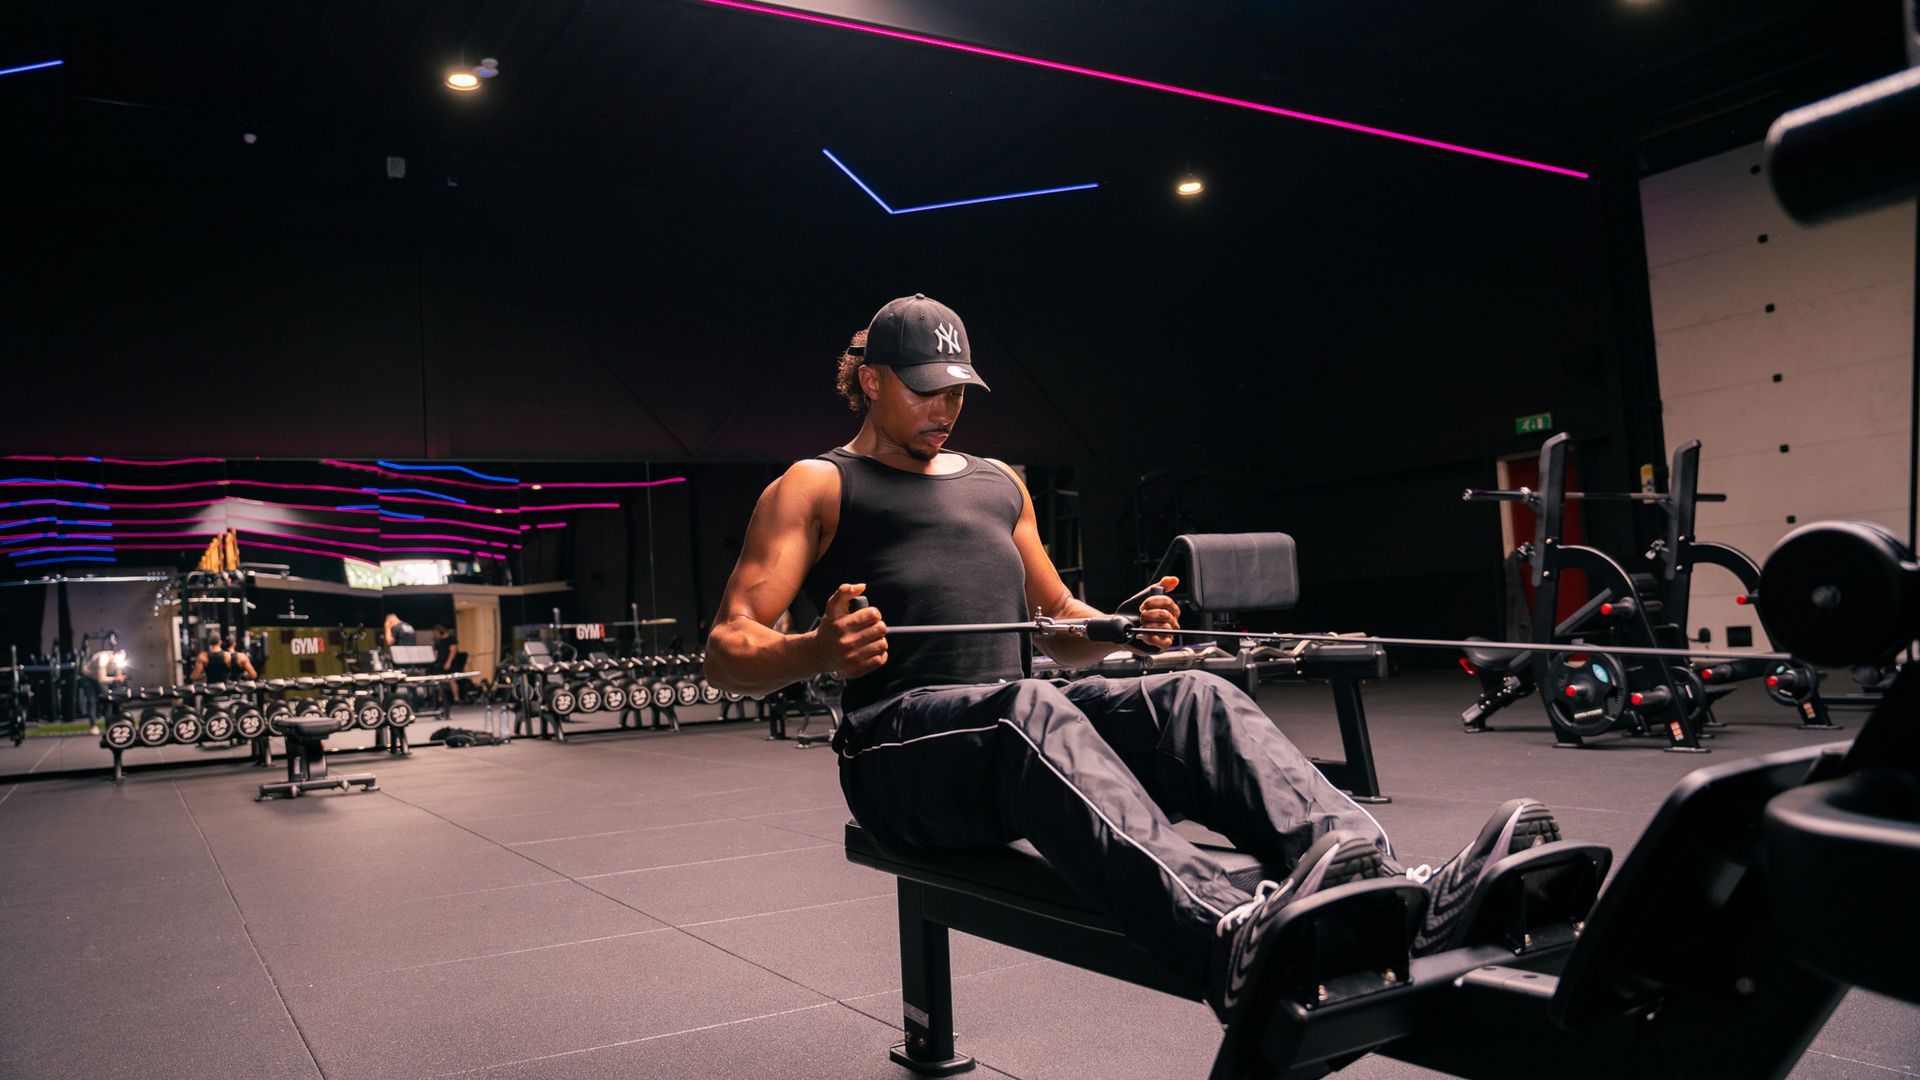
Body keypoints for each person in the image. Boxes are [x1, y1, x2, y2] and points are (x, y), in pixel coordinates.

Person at [703, 294, 1562, 1035]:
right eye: (927, 392)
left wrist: (1120, 627)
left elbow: (1056, 625)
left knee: (1191, 694)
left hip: (1007, 727)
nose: (946, 410)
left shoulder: (999, 482)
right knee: (1025, 711)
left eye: (958, 392)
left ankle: (1380, 880)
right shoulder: (816, 485)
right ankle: (1226, 933)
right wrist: (813, 650)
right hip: (898, 755)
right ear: (874, 380)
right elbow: (726, 652)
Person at [189, 633, 257, 682]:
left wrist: (204, 677)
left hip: (211, 693)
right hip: (228, 692)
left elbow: (194, 677)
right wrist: (243, 676)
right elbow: (253, 675)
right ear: (220, 642)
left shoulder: (203, 656)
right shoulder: (229, 656)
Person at [432, 623, 469, 702]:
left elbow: (453, 651)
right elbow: (436, 654)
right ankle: (440, 699)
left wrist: (448, 662)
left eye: (436, 633)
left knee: (451, 680)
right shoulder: (439, 642)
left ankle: (456, 698)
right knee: (438, 681)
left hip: (450, 663)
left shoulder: (451, 640)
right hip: (440, 663)